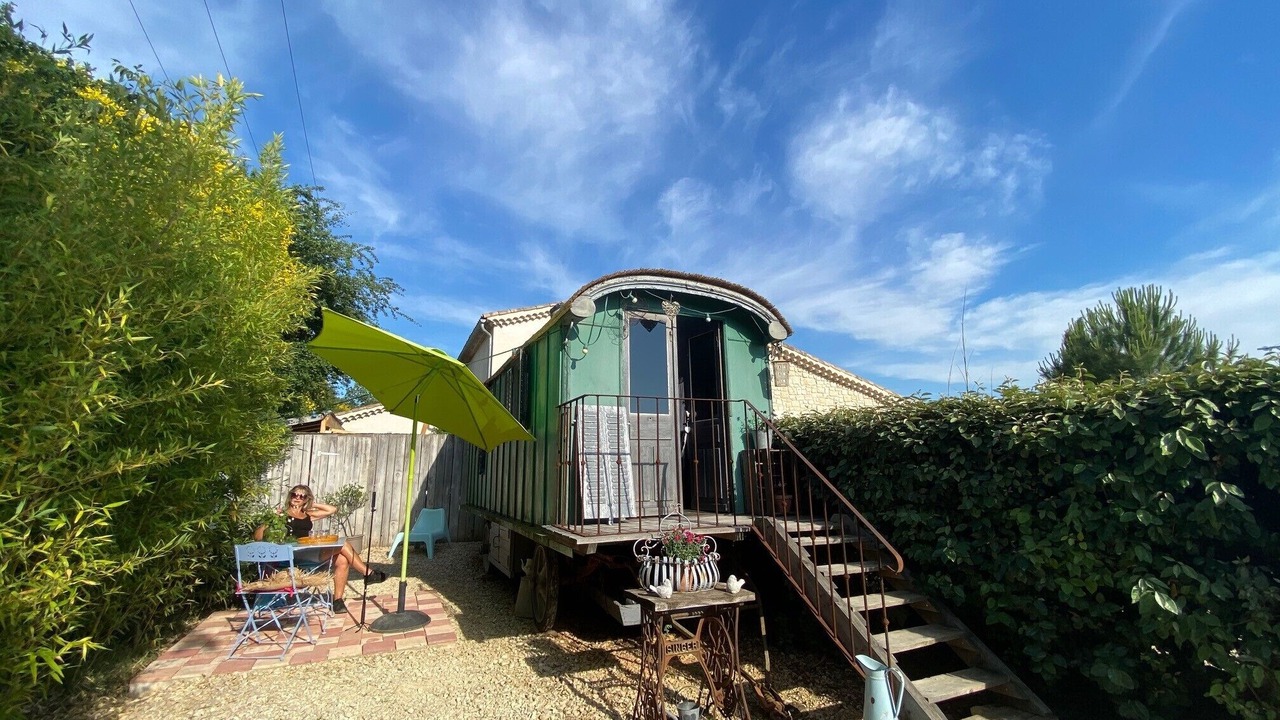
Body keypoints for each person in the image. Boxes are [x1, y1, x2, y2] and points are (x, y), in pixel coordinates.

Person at [255, 484, 386, 614]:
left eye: (302, 496)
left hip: (308, 552)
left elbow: (332, 509)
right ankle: (368, 573)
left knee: (342, 560)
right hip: (292, 555)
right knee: (343, 544)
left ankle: (338, 601)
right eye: (295, 494)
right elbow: (257, 537)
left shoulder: (307, 515)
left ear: (306, 499)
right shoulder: (281, 514)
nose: (297, 498)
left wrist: (312, 504)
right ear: (290, 496)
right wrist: (270, 520)